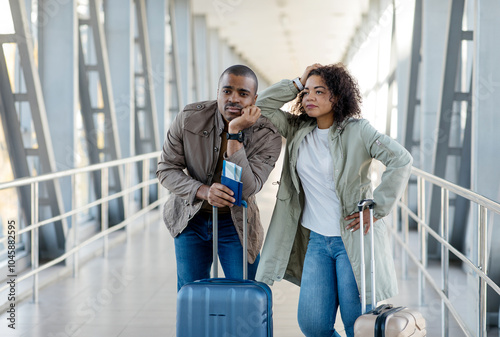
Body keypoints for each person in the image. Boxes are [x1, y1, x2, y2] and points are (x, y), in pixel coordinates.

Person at [254, 63, 413, 337]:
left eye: (319, 91)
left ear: (336, 97)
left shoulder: (358, 130)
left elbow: (401, 160)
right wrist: (295, 82)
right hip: (317, 241)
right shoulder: (297, 129)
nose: (309, 97)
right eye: (306, 92)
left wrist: (377, 208)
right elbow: (263, 107)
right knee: (313, 325)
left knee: (356, 324)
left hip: (352, 240)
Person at [157, 65, 282, 291]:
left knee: (248, 294)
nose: (233, 99)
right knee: (191, 295)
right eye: (227, 91)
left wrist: (234, 133)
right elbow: (165, 169)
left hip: (236, 224)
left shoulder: (267, 134)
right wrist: (203, 191)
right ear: (217, 93)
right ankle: (199, 328)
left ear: (254, 99)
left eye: (243, 94)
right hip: (190, 219)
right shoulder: (189, 118)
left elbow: (247, 189)